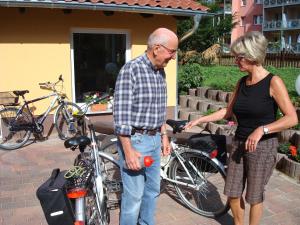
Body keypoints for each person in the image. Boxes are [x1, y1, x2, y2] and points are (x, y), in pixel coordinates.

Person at [184, 31, 298, 225]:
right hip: (239, 143)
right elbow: (227, 112)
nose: (236, 60)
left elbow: (292, 118)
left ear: (252, 56)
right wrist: (200, 120)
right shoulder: (242, 82)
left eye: (239, 57)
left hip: (262, 147)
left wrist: (262, 129)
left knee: (254, 195)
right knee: (233, 191)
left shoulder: (273, 82)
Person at [113, 28, 178, 225]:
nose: (173, 57)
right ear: (157, 48)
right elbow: (121, 115)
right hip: (136, 141)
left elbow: (159, 110)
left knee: (152, 191)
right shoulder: (131, 70)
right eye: (171, 51)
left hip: (154, 140)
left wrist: (164, 136)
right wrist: (128, 151)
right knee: (134, 198)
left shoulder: (161, 72)